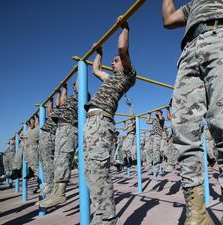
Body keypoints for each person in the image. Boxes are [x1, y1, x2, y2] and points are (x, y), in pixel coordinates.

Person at [163, 0, 223, 224]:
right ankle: (198, 215)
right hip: (189, 50)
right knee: (183, 130)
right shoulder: (193, 5)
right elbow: (168, 19)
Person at [83, 19, 135, 225]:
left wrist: (124, 28)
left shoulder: (128, 76)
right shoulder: (109, 78)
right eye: (111, 61)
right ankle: (101, 215)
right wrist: (99, 52)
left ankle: (107, 218)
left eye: (115, 61)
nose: (113, 63)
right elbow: (96, 70)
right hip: (91, 121)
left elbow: (123, 49)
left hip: (102, 121)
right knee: (90, 171)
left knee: (99, 170)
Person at [39, 80, 80, 207]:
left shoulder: (83, 95)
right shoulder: (71, 99)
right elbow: (60, 104)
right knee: (58, 161)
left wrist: (65, 90)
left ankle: (60, 194)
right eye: (74, 84)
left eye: (76, 83)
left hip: (69, 128)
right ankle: (55, 192)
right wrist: (62, 91)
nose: (75, 85)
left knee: (63, 160)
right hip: (60, 129)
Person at [146, 111, 165, 175]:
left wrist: (159, 113)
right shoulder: (154, 120)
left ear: (160, 113)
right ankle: (149, 164)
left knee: (156, 151)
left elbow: (161, 119)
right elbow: (147, 122)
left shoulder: (162, 118)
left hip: (157, 135)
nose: (156, 113)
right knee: (148, 150)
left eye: (158, 112)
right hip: (151, 135)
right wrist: (149, 115)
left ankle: (156, 167)